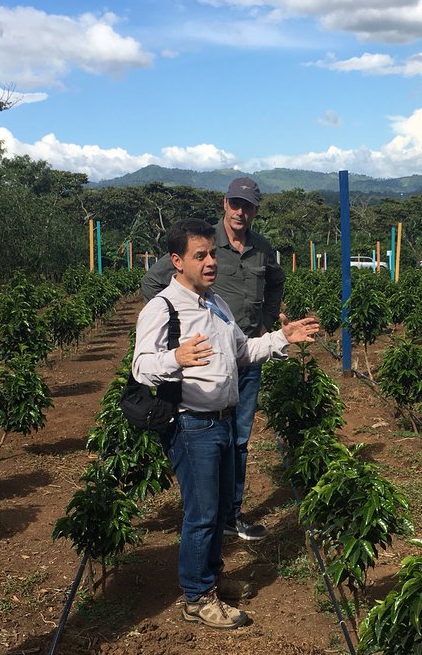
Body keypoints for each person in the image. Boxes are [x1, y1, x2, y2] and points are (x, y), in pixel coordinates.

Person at [133, 218, 318, 629]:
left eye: (213, 253)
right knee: (201, 514)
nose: (211, 262)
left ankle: (213, 578)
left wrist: (282, 338)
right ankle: (197, 598)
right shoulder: (162, 308)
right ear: (177, 261)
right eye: (200, 255)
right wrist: (176, 358)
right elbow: (141, 366)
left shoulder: (216, 302)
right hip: (191, 425)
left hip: (223, 421)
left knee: (218, 513)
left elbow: (242, 351)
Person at [140, 176, 284, 541]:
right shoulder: (201, 242)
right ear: (225, 203)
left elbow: (276, 282)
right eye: (235, 203)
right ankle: (207, 518)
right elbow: (153, 282)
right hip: (202, 362)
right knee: (206, 437)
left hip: (245, 353)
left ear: (255, 210)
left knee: (239, 439)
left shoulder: (262, 249)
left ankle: (230, 516)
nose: (240, 211)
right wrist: (177, 325)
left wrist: (267, 322)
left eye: (248, 206)